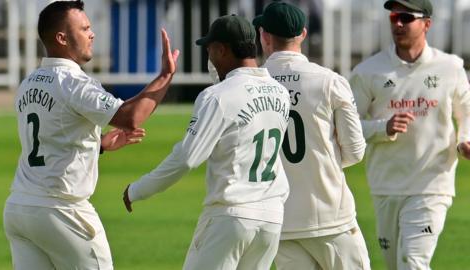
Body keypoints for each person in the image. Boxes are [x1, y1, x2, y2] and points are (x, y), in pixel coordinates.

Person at [3, 1, 179, 269]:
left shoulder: (28, 83)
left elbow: (51, 139)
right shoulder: (74, 83)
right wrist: (165, 76)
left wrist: (97, 146)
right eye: (84, 28)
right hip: (63, 212)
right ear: (61, 38)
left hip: (21, 208)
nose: (92, 34)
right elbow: (131, 117)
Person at [123, 14, 291, 270]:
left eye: (210, 49)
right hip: (271, 218)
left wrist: (138, 190)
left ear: (222, 49)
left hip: (230, 216)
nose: (209, 57)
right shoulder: (280, 91)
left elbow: (187, 158)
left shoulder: (216, 97)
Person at [350, 0, 470, 269]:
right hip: (385, 184)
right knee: (395, 265)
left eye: (406, 17)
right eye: (393, 17)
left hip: (432, 183)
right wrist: (383, 127)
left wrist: (465, 139)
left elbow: (466, 111)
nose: (398, 24)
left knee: (412, 261)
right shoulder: (367, 71)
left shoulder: (450, 67)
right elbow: (346, 126)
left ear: (427, 24)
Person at [253, 2, 371, 269]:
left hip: (280, 219)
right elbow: (355, 152)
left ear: (264, 36)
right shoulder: (329, 81)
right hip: (332, 217)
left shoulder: (251, 86)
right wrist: (321, 164)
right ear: (303, 34)